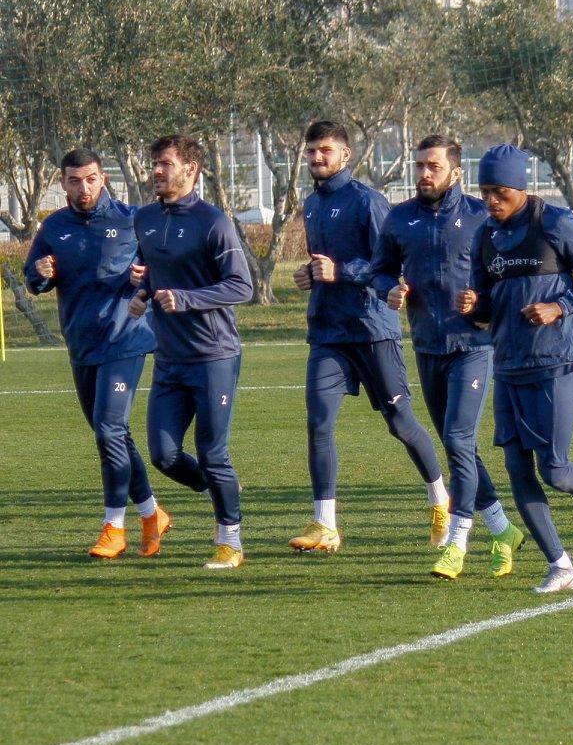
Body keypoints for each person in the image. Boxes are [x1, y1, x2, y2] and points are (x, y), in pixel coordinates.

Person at [456, 144, 573, 594]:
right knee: (517, 468)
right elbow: (485, 305)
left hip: (555, 360)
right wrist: (474, 306)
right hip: (508, 362)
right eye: (485, 192)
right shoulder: (486, 236)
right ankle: (560, 565)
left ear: (520, 187)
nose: (491, 201)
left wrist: (560, 306)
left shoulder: (556, 224)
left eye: (500, 192)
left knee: (555, 469)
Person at [288, 120, 448, 555]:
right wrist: (310, 275)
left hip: (372, 329)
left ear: (346, 155)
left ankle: (441, 499)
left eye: (325, 150)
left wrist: (341, 271)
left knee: (400, 423)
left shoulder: (367, 201)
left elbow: (387, 267)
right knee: (319, 423)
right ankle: (325, 525)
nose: (317, 157)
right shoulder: (311, 203)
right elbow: (324, 265)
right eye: (312, 151)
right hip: (327, 332)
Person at [371, 135, 525, 580]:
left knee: (458, 440)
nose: (424, 174)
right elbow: (380, 270)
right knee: (460, 448)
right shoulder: (400, 218)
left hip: (473, 346)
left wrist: (482, 301)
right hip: (427, 347)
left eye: (433, 166)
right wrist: (389, 289)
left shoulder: (481, 217)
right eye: (419, 165)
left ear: (456, 173)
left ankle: (457, 543)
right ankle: (503, 529)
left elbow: (508, 275)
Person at [26, 148, 168, 558]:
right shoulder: (54, 227)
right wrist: (40, 273)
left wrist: (146, 275)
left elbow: (162, 268)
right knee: (113, 434)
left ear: (103, 178)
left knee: (108, 430)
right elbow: (34, 277)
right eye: (74, 181)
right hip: (82, 342)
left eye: (90, 179)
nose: (83, 188)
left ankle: (113, 528)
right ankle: (152, 514)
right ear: (63, 183)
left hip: (126, 338)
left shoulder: (132, 219)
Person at [127, 135, 253, 569]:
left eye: (165, 163)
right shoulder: (145, 218)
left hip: (214, 355)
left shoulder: (213, 222)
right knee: (163, 455)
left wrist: (186, 299)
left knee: (214, 453)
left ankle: (230, 542)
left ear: (190, 169)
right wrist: (142, 291)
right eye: (154, 163)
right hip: (169, 358)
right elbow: (153, 270)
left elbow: (242, 286)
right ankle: (220, 487)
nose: (156, 171)